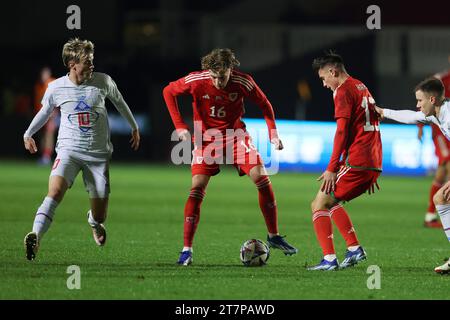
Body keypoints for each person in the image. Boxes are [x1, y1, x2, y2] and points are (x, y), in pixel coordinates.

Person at [162, 48, 297, 266]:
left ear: (230, 70)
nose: (218, 82)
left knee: (262, 179)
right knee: (196, 189)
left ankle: (273, 236)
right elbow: (168, 91)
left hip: (236, 137)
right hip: (206, 139)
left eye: (222, 77)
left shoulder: (243, 82)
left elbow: (265, 104)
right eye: (214, 77)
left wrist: (273, 134)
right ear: (208, 72)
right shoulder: (197, 80)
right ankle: (187, 249)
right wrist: (179, 126)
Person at [23, 38, 140, 260]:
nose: (92, 65)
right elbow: (45, 112)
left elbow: (120, 102)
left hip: (98, 156)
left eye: (92, 60)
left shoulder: (103, 81)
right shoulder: (56, 87)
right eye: (87, 61)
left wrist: (134, 127)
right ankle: (36, 236)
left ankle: (94, 222)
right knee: (55, 192)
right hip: (69, 151)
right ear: (72, 64)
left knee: (100, 214)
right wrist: (28, 133)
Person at [308, 52, 382, 271]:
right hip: (370, 160)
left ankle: (330, 260)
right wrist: (371, 166)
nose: (324, 84)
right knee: (332, 202)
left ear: (333, 71)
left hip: (359, 160)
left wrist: (332, 167)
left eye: (323, 78)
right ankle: (353, 249)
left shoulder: (342, 91)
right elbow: (365, 125)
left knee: (319, 204)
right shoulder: (361, 86)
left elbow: (341, 131)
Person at [375, 77, 450, 274]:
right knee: (440, 198)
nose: (417, 105)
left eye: (420, 101)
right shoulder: (437, 114)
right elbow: (410, 116)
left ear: (432, 100)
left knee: (441, 198)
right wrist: (384, 112)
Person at [416, 58, 450, 228]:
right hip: (440, 133)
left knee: (442, 173)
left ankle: (430, 215)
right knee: (447, 163)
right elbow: (423, 101)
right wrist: (421, 125)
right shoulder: (440, 79)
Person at [33, 66, 57, 165]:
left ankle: (47, 157)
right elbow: (37, 102)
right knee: (42, 135)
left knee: (49, 135)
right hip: (40, 115)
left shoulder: (53, 83)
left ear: (49, 74)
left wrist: (54, 112)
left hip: (51, 114)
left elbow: (57, 99)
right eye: (42, 74)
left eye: (45, 74)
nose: (43, 76)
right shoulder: (38, 86)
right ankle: (44, 156)